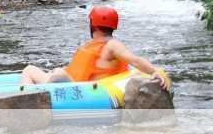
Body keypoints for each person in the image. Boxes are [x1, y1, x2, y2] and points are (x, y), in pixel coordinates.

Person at [19, 5, 170, 90]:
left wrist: (154, 71)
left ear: (93, 24)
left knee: (29, 69)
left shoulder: (112, 45)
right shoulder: (103, 43)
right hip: (79, 85)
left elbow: (135, 61)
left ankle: (26, 98)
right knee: (58, 72)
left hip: (78, 88)